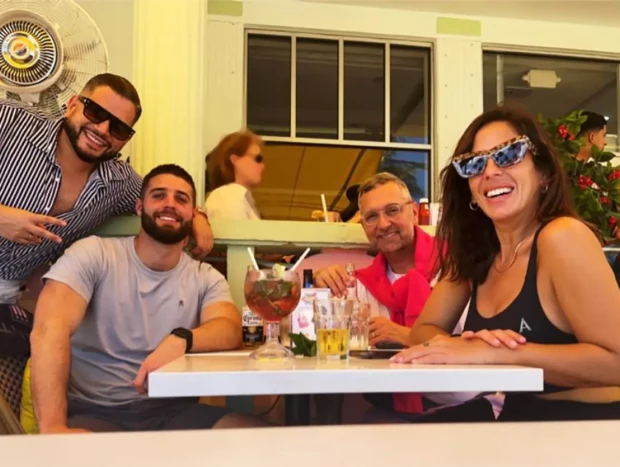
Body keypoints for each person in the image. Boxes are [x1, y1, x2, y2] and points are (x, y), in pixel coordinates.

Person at [392, 105, 620, 422]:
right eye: (474, 164)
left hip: (589, 426)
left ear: (544, 173)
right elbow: (423, 332)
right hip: (518, 421)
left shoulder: (562, 237)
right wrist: (460, 346)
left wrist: (495, 352)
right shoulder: (479, 253)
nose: (489, 171)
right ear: (470, 191)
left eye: (508, 154)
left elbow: (616, 362)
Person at [29, 164, 266, 433]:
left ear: (193, 214)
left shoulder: (204, 276)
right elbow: (49, 329)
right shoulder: (94, 254)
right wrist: (53, 428)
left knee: (261, 439)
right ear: (139, 207)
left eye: (181, 199)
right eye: (159, 195)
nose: (169, 204)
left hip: (173, 412)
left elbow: (230, 327)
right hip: (95, 412)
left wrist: (182, 339)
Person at [0, 73, 213, 357]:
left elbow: (161, 197)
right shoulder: (11, 122)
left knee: (47, 356)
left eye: (119, 129)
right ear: (73, 104)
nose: (102, 129)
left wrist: (197, 217)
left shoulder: (118, 182)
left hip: (5, 300)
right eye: (95, 112)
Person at [314, 172, 448, 417]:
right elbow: (321, 330)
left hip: (465, 405)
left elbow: (480, 342)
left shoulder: (456, 266)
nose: (383, 224)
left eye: (393, 210)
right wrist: (319, 285)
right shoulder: (360, 283)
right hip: (392, 409)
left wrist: (409, 337)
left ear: (415, 212)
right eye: (372, 217)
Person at [204, 130, 264, 220]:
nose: (262, 166)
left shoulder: (239, 198)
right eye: (258, 158)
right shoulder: (226, 196)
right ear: (235, 160)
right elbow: (236, 233)